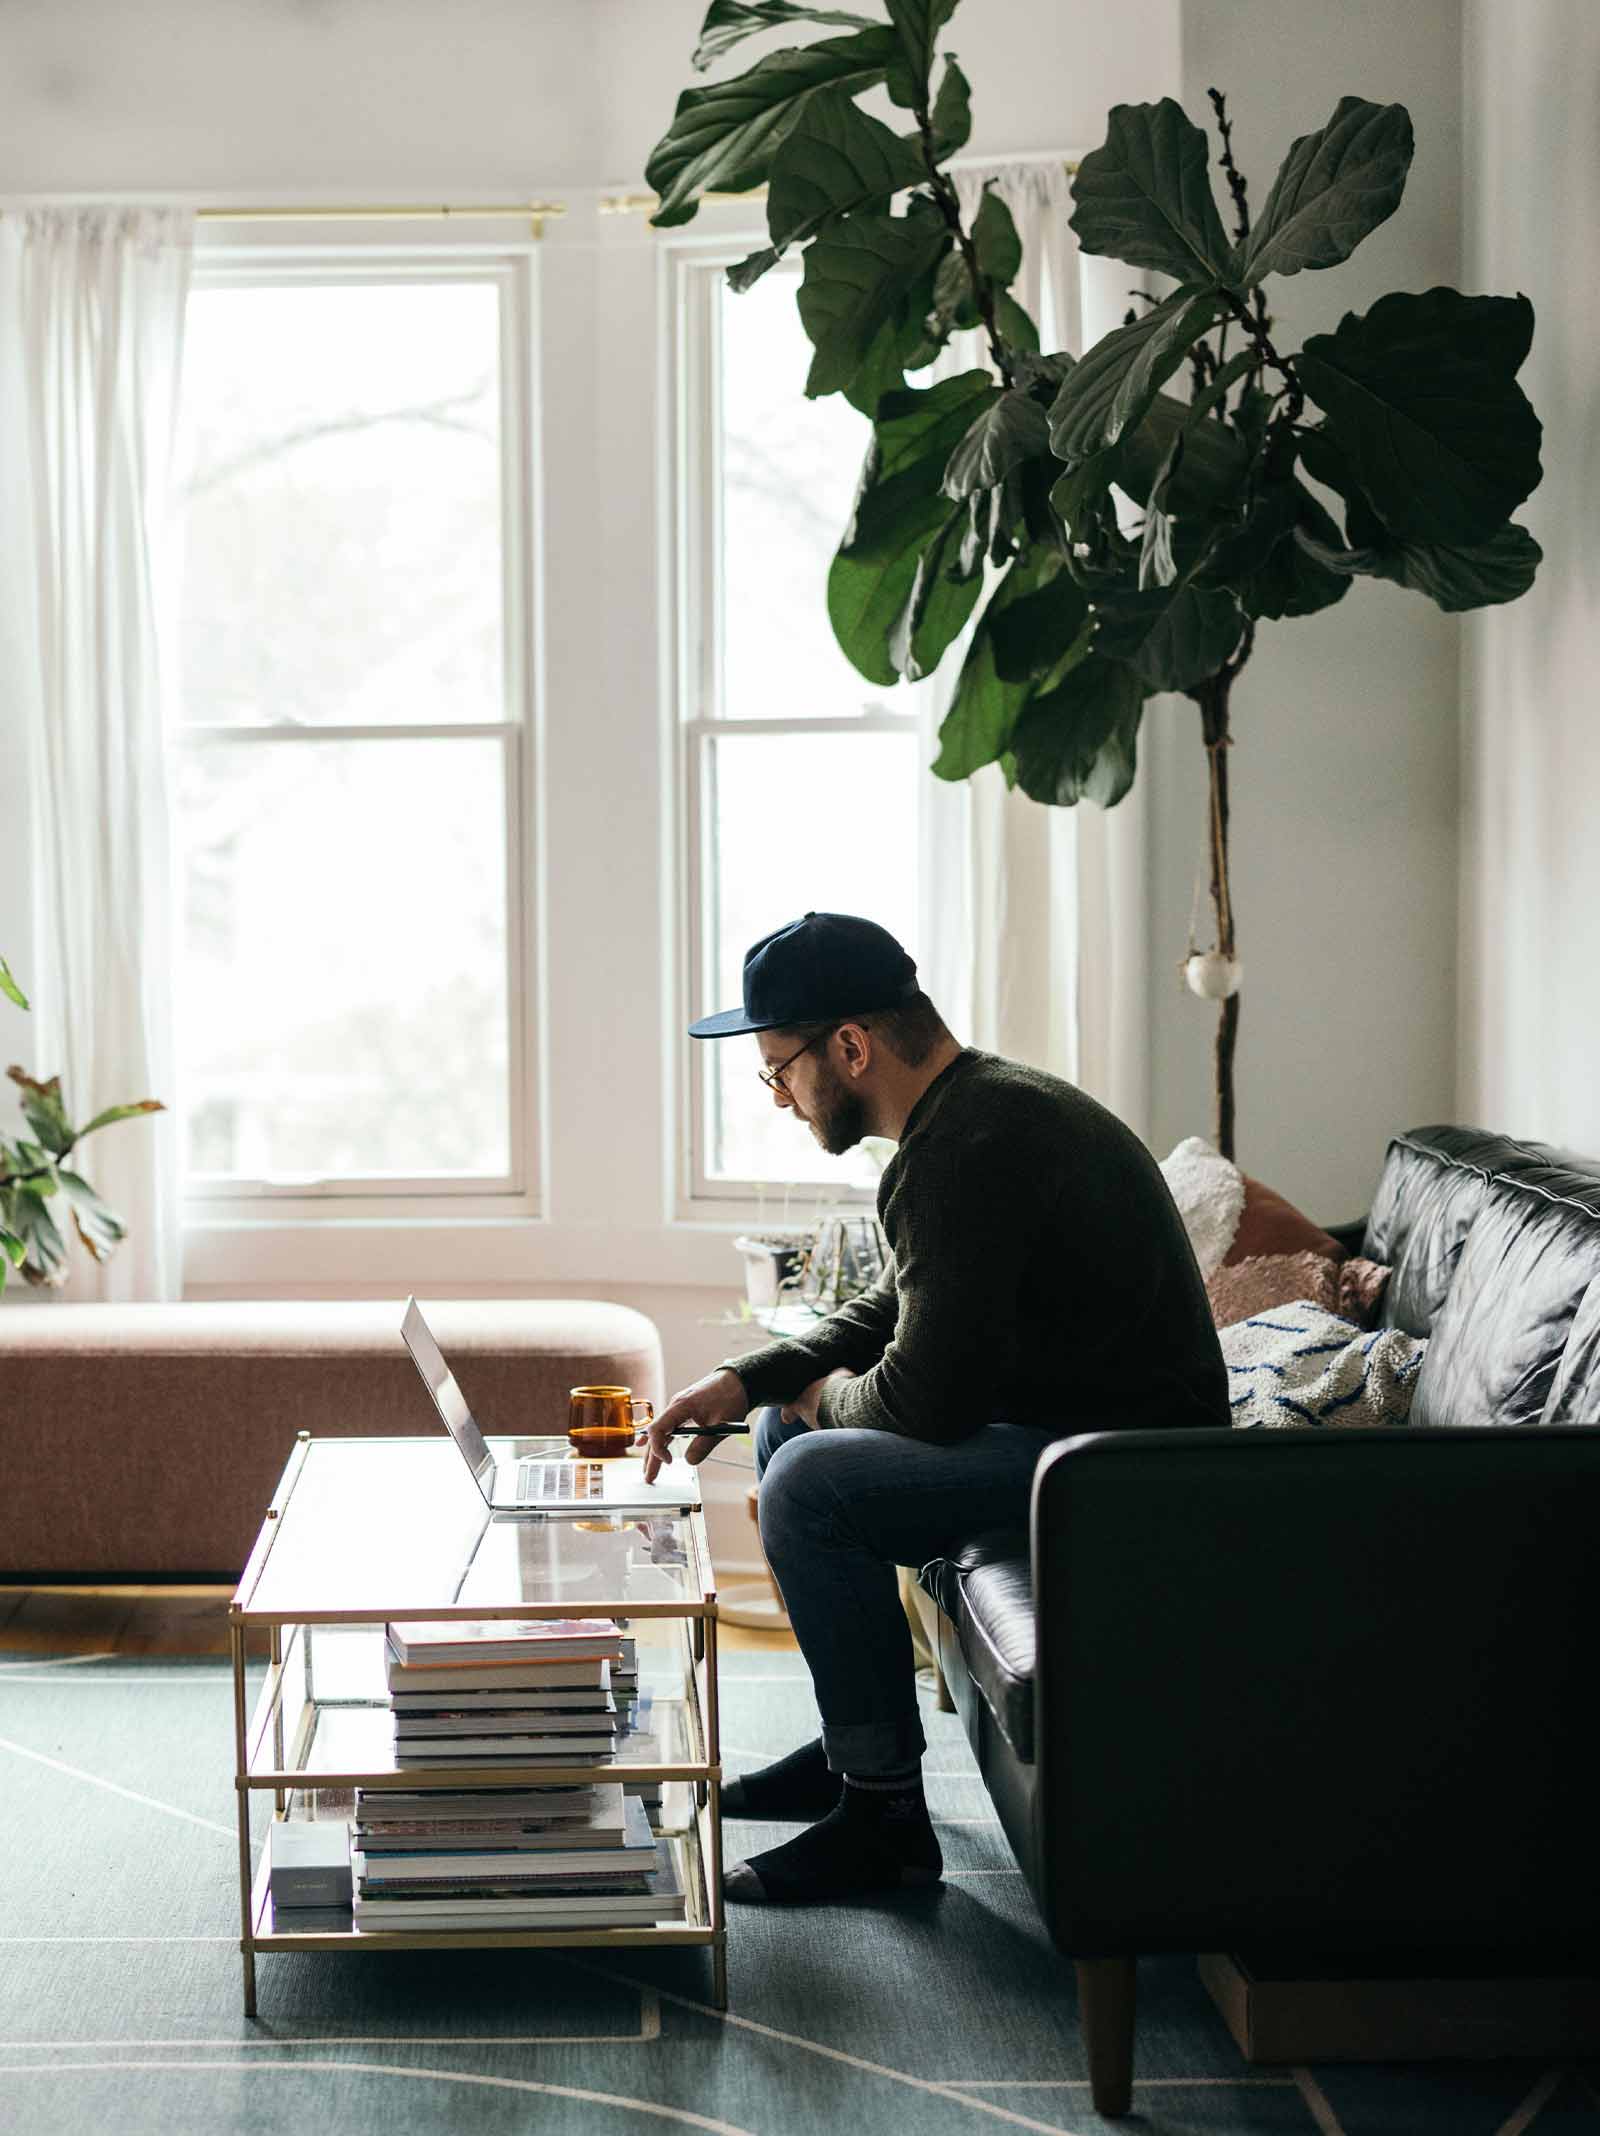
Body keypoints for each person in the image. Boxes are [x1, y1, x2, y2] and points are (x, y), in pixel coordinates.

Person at [639, 911, 1227, 1906]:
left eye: (777, 1069)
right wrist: (755, 1379)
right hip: (1081, 1437)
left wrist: (814, 1396)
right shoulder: (978, 1113)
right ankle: (850, 1755)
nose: (778, 1097)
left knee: (810, 1483)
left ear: (851, 1047)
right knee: (784, 1428)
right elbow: (907, 1304)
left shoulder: (966, 1148)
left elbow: (919, 1396)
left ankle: (883, 1825)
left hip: (1124, 1472)